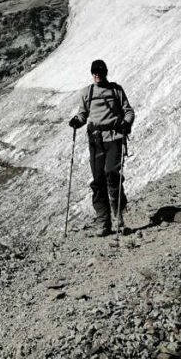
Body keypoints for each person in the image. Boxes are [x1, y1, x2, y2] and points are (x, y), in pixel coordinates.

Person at [69, 59, 134, 236]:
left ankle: (118, 214)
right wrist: (77, 121)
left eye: (100, 71)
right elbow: (83, 115)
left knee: (111, 174)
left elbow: (128, 111)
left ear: (105, 72)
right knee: (98, 180)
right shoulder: (87, 93)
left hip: (114, 137)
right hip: (96, 139)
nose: (97, 74)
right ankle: (103, 220)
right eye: (94, 71)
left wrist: (125, 124)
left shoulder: (116, 90)